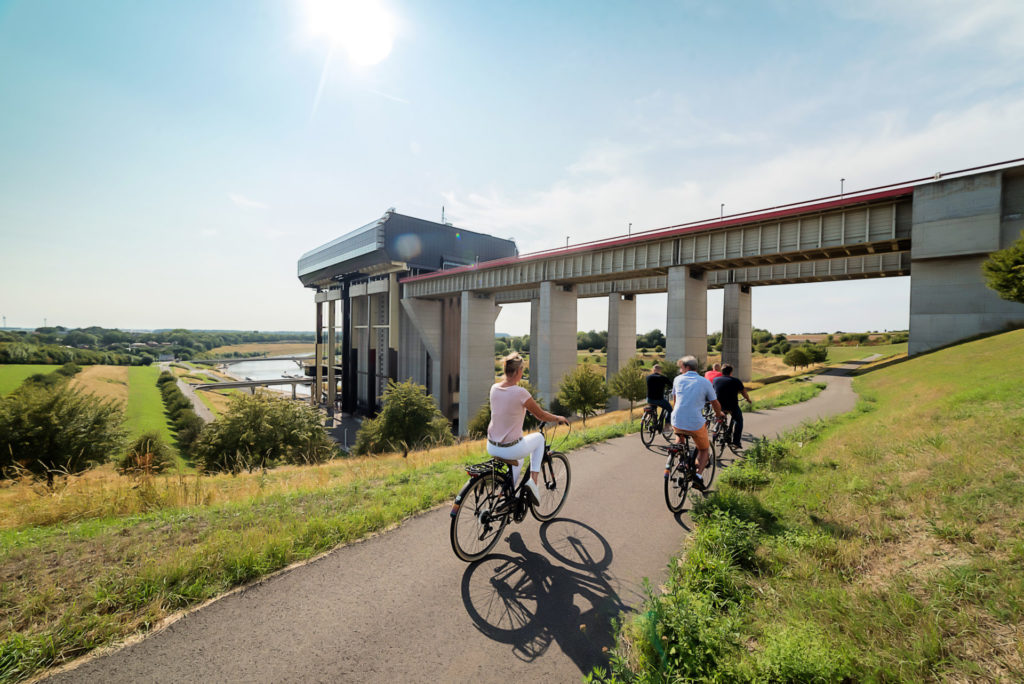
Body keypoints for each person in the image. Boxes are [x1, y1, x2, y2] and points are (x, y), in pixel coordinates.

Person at [487, 353, 569, 503]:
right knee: (538, 439)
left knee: (519, 461)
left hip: (492, 446)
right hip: (510, 448)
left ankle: (506, 497)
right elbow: (541, 415)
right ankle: (533, 483)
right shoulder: (520, 393)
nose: (522, 373)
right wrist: (558, 418)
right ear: (518, 372)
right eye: (522, 370)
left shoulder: (494, 388)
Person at [670, 355, 725, 491]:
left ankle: (681, 460)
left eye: (681, 368)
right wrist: (719, 414)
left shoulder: (677, 379)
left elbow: (675, 401)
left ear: (686, 367)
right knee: (704, 448)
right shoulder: (705, 382)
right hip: (694, 421)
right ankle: (698, 477)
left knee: (680, 436)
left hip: (676, 419)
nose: (680, 370)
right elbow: (715, 403)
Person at [712, 364, 752, 448]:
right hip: (732, 406)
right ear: (731, 372)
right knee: (739, 420)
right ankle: (736, 442)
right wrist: (748, 399)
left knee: (720, 415)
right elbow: (743, 392)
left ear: (721, 372)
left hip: (719, 406)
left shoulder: (715, 380)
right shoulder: (736, 381)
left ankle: (718, 428)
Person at [645, 363, 672, 430]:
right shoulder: (663, 378)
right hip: (659, 399)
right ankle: (667, 425)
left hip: (649, 399)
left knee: (653, 407)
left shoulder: (648, 377)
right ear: (660, 371)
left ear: (653, 370)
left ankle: (649, 417)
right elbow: (672, 385)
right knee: (670, 409)